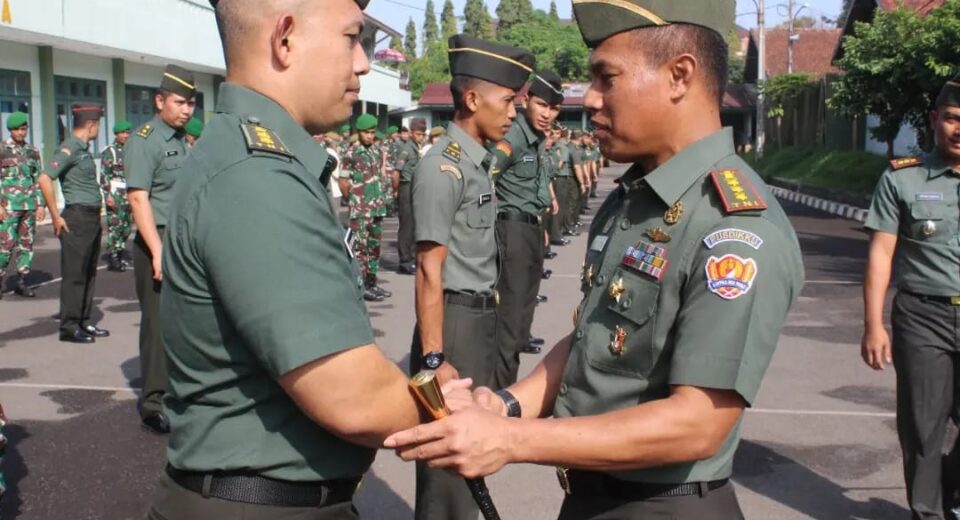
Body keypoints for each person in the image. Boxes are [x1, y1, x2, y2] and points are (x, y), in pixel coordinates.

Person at [386, 2, 806, 518]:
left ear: (680, 75)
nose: (590, 99)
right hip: (593, 496)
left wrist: (513, 439)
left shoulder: (734, 226)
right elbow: (595, 336)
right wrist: (506, 404)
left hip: (663, 506)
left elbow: (699, 423)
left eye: (606, 78)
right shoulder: (636, 200)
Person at [149, 0, 439, 518]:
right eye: (352, 38)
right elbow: (354, 398)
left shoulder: (254, 157)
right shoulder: (257, 177)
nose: (364, 63)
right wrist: (461, 410)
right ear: (285, 39)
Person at [409, 33, 534, 520]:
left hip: (478, 318)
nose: (512, 113)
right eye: (507, 101)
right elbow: (427, 270)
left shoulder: (477, 163)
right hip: (453, 323)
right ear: (472, 99)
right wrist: (435, 356)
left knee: (468, 456)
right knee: (446, 467)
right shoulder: (444, 168)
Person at [861, 75, 960, 520]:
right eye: (954, 119)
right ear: (935, 120)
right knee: (923, 428)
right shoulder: (904, 179)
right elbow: (882, 253)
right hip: (922, 317)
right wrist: (873, 324)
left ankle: (951, 493)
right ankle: (929, 514)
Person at [125, 64, 196, 434]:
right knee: (157, 324)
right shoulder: (145, 140)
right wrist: (157, 250)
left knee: (183, 322)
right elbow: (139, 199)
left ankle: (179, 393)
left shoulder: (181, 141)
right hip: (158, 239)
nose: (187, 110)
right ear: (159, 100)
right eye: (180, 102)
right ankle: (154, 402)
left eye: (191, 104)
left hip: (182, 240)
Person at [489, 69, 563, 386]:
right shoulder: (514, 137)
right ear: (527, 100)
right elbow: (484, 180)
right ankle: (501, 391)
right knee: (509, 317)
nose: (548, 114)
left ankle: (509, 382)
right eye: (542, 105)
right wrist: (483, 226)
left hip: (530, 228)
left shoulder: (535, 139)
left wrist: (539, 222)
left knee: (523, 313)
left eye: (554, 108)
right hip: (512, 230)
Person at [39, 105, 110, 343]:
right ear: (91, 125)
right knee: (75, 274)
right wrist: (56, 215)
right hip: (77, 218)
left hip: (90, 217)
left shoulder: (82, 149)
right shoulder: (69, 148)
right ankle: (69, 327)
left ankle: (83, 321)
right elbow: (45, 178)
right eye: (98, 124)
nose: (98, 129)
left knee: (89, 272)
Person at [339, 113, 391, 302]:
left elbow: (380, 175)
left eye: (372, 132)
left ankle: (372, 282)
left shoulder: (376, 151)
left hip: (377, 207)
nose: (370, 136)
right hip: (361, 209)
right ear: (359, 132)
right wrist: (355, 199)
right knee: (360, 249)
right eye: (366, 133)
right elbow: (344, 181)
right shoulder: (352, 153)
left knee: (374, 247)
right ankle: (360, 286)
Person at [0, 111, 44, 298]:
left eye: (24, 129)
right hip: (8, 206)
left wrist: (40, 204)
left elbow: (38, 179)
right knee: (5, 245)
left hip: (29, 206)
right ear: (10, 130)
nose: (21, 132)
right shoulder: (2, 150)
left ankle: (22, 281)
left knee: (26, 245)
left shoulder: (32, 151)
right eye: (17, 129)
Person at [100, 120, 133, 272]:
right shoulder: (110, 151)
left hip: (129, 192)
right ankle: (114, 257)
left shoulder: (132, 150)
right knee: (115, 225)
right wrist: (108, 195)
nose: (126, 135)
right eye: (123, 133)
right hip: (115, 192)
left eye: (128, 132)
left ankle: (119, 251)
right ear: (116, 134)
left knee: (126, 226)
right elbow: (104, 175)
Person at [395, 118, 426, 275]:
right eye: (419, 134)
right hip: (406, 187)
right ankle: (405, 260)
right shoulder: (406, 149)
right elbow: (396, 171)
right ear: (412, 133)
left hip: (414, 188)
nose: (421, 137)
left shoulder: (416, 148)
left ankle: (412, 257)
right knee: (407, 225)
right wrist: (396, 191)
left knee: (414, 224)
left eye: (423, 134)